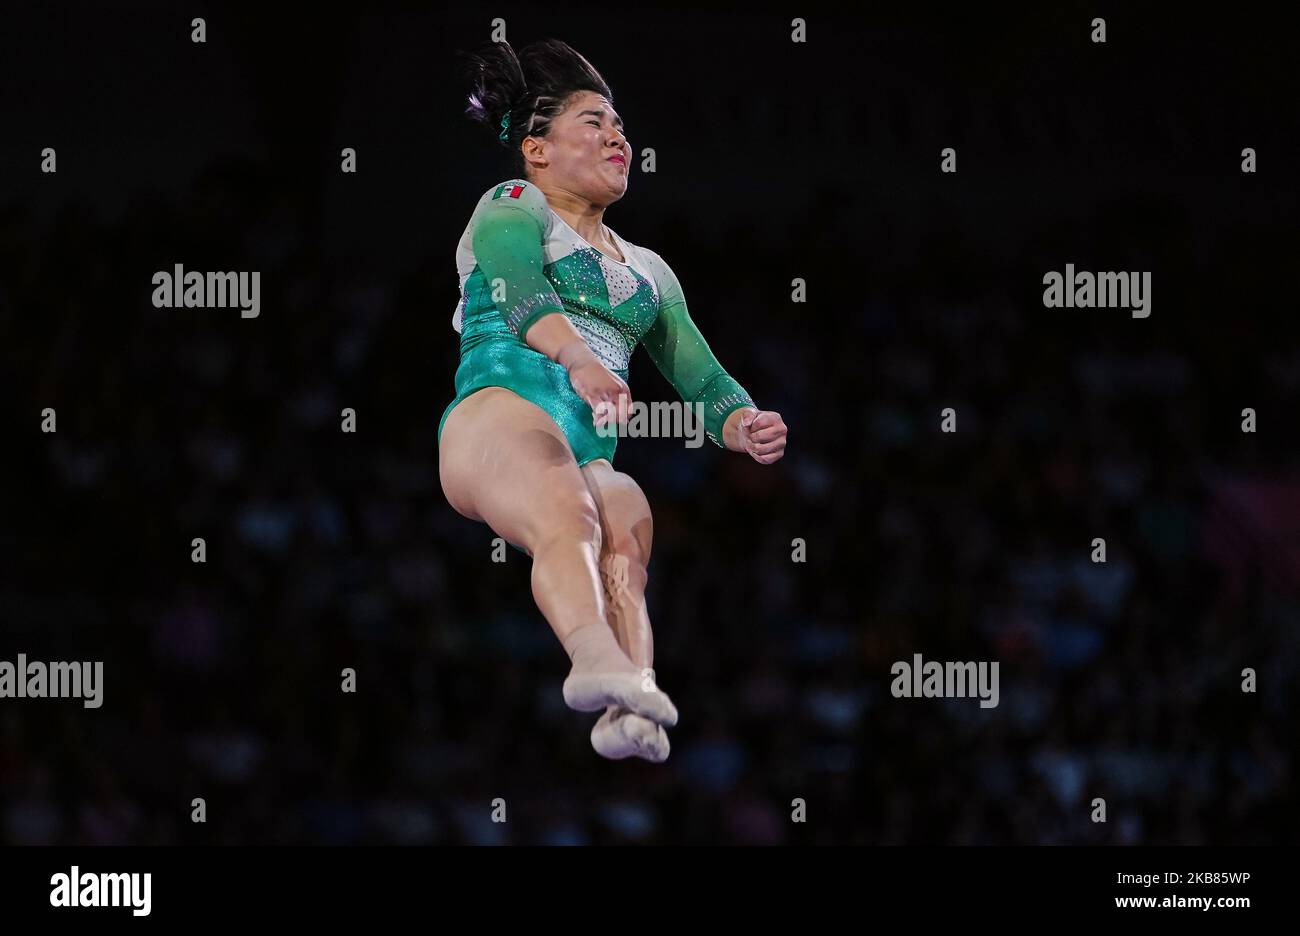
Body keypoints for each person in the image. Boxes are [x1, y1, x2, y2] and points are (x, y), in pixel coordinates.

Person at [437, 39, 788, 762]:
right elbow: (510, 285)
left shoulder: (649, 270)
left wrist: (742, 419)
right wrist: (575, 357)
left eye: (621, 126)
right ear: (536, 149)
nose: (617, 137)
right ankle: (592, 658)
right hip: (496, 414)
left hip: (581, 448)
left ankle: (631, 698)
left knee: (626, 521)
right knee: (570, 506)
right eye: (595, 122)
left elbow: (697, 371)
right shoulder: (514, 204)